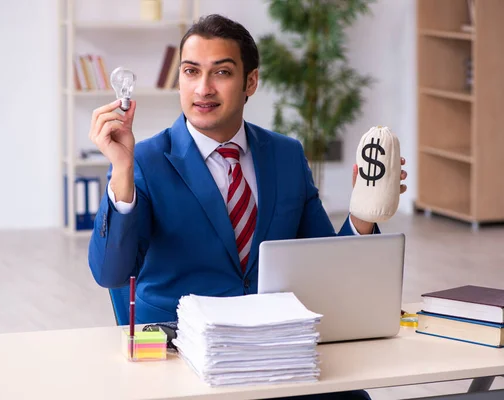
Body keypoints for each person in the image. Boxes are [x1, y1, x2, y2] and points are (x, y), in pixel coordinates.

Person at [88, 14, 406, 400]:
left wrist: (362, 212)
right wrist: (120, 171)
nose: (203, 88)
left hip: (279, 352)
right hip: (187, 360)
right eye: (191, 72)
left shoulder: (286, 156)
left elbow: (326, 263)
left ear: (250, 82)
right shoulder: (144, 160)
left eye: (221, 72)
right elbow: (110, 272)